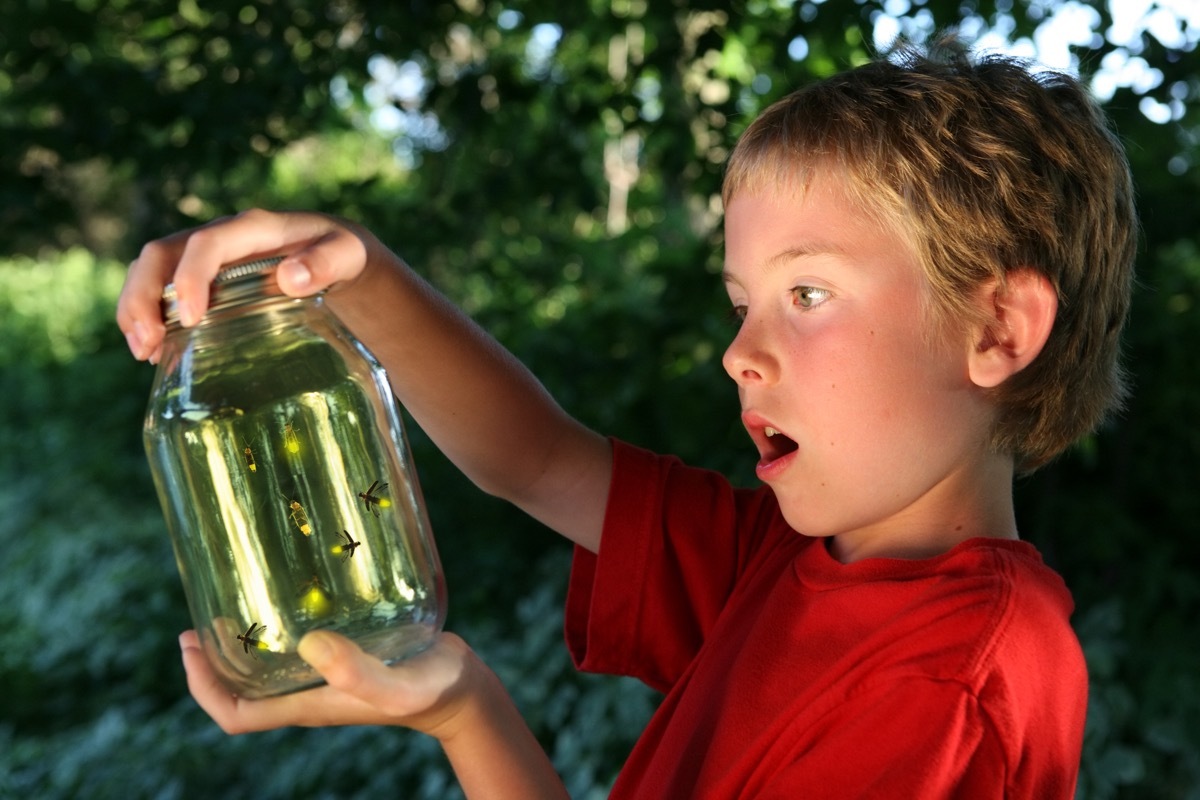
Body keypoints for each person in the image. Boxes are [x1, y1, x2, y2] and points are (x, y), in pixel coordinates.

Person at [116, 36, 1136, 799]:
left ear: (999, 328)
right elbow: (539, 458)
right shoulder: (788, 562)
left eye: (809, 294)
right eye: (742, 302)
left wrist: (464, 713)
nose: (739, 351)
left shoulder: (952, 688)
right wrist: (346, 271)